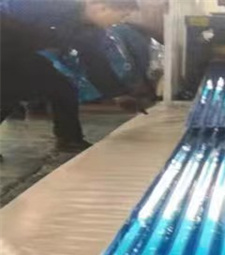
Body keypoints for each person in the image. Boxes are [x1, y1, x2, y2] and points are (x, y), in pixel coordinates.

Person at [0, 0, 150, 152]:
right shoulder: (51, 5)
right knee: (9, 92)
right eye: (122, 15)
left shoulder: (90, 31)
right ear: (102, 8)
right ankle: (69, 139)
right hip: (6, 47)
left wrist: (119, 95)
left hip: (19, 52)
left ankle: (70, 140)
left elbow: (95, 62)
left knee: (61, 87)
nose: (119, 22)